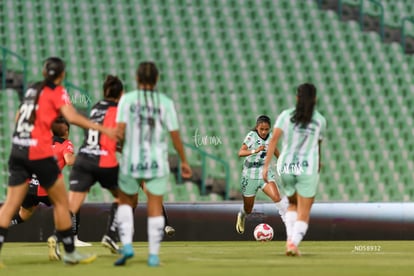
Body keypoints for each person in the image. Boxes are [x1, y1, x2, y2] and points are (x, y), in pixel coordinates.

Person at [0, 56, 115, 267]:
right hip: (38, 152)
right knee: (63, 202)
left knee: (10, 204)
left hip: (18, 149)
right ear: (62, 75)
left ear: (44, 72)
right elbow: (71, 117)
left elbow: (18, 117)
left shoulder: (32, 89)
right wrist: (100, 128)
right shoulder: (58, 91)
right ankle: (70, 252)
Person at [114, 61, 192, 267]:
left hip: (132, 158)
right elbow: (175, 136)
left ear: (137, 79)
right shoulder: (165, 102)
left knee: (126, 202)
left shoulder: (127, 100)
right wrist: (183, 161)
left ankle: (127, 246)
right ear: (156, 79)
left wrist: (120, 147)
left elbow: (119, 133)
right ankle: (153, 255)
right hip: (156, 160)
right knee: (155, 205)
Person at [47, 75, 128, 259]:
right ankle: (111, 235)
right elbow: (119, 136)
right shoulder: (119, 110)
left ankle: (56, 237)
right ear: (121, 94)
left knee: (72, 206)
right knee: (125, 196)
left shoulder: (95, 108)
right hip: (104, 161)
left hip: (84, 159)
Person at [263, 83, 326, 256]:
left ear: (297, 98)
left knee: (292, 204)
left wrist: (266, 166)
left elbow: (273, 140)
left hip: (286, 165)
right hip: (307, 167)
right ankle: (293, 243)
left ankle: (290, 241)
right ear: (315, 99)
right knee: (304, 210)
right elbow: (318, 146)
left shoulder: (285, 116)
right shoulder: (320, 121)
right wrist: (318, 163)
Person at [9, 116, 91, 248]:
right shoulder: (66, 143)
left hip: (30, 186)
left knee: (23, 215)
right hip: (47, 187)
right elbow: (69, 160)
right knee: (73, 205)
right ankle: (73, 238)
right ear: (67, 131)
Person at [236, 115, 288, 235]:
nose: (264, 132)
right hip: (249, 175)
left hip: (265, 172)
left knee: (276, 196)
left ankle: (287, 222)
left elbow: (276, 152)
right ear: (257, 128)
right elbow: (240, 152)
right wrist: (255, 150)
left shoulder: (271, 138)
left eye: (266, 129)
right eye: (261, 129)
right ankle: (242, 214)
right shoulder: (251, 136)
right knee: (248, 208)